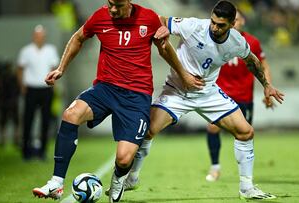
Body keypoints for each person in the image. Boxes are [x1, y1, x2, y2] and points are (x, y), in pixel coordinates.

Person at [32, 0, 204, 202]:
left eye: (118, 6)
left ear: (129, 2)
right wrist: (61, 68)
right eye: (110, 4)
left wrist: (184, 75)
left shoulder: (148, 18)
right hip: (105, 88)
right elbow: (78, 37)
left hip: (136, 96)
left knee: (123, 159)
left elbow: (165, 49)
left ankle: (118, 181)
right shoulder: (100, 16)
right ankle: (56, 183)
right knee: (71, 114)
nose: (112, 9)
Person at [122, 0, 284, 200]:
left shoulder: (237, 41)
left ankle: (246, 188)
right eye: (213, 22)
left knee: (245, 132)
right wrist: (162, 29)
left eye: (221, 25)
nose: (215, 27)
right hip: (177, 91)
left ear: (232, 24)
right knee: (148, 130)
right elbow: (162, 20)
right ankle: (133, 178)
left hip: (208, 93)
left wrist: (266, 85)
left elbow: (252, 61)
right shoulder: (194, 26)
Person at [205, 10, 275, 182]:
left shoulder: (252, 42)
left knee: (245, 133)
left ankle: (245, 175)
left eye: (237, 19)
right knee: (212, 128)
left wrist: (268, 88)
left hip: (244, 96)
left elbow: (263, 66)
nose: (235, 22)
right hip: (220, 94)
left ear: (242, 21)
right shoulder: (214, 39)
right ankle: (215, 168)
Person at [17, 25, 59, 160]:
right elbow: (20, 69)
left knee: (45, 121)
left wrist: (54, 84)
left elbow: (54, 68)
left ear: (44, 37)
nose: (40, 38)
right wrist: (22, 85)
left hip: (46, 89)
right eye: (37, 36)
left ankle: (42, 151)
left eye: (42, 36)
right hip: (31, 89)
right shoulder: (26, 51)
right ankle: (26, 151)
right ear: (34, 37)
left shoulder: (50, 50)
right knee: (28, 120)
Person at [0, 58, 21, 149]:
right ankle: (14, 140)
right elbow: (18, 90)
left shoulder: (2, 78)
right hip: (12, 102)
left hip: (5, 103)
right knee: (14, 122)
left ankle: (3, 140)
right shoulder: (13, 77)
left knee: (4, 123)